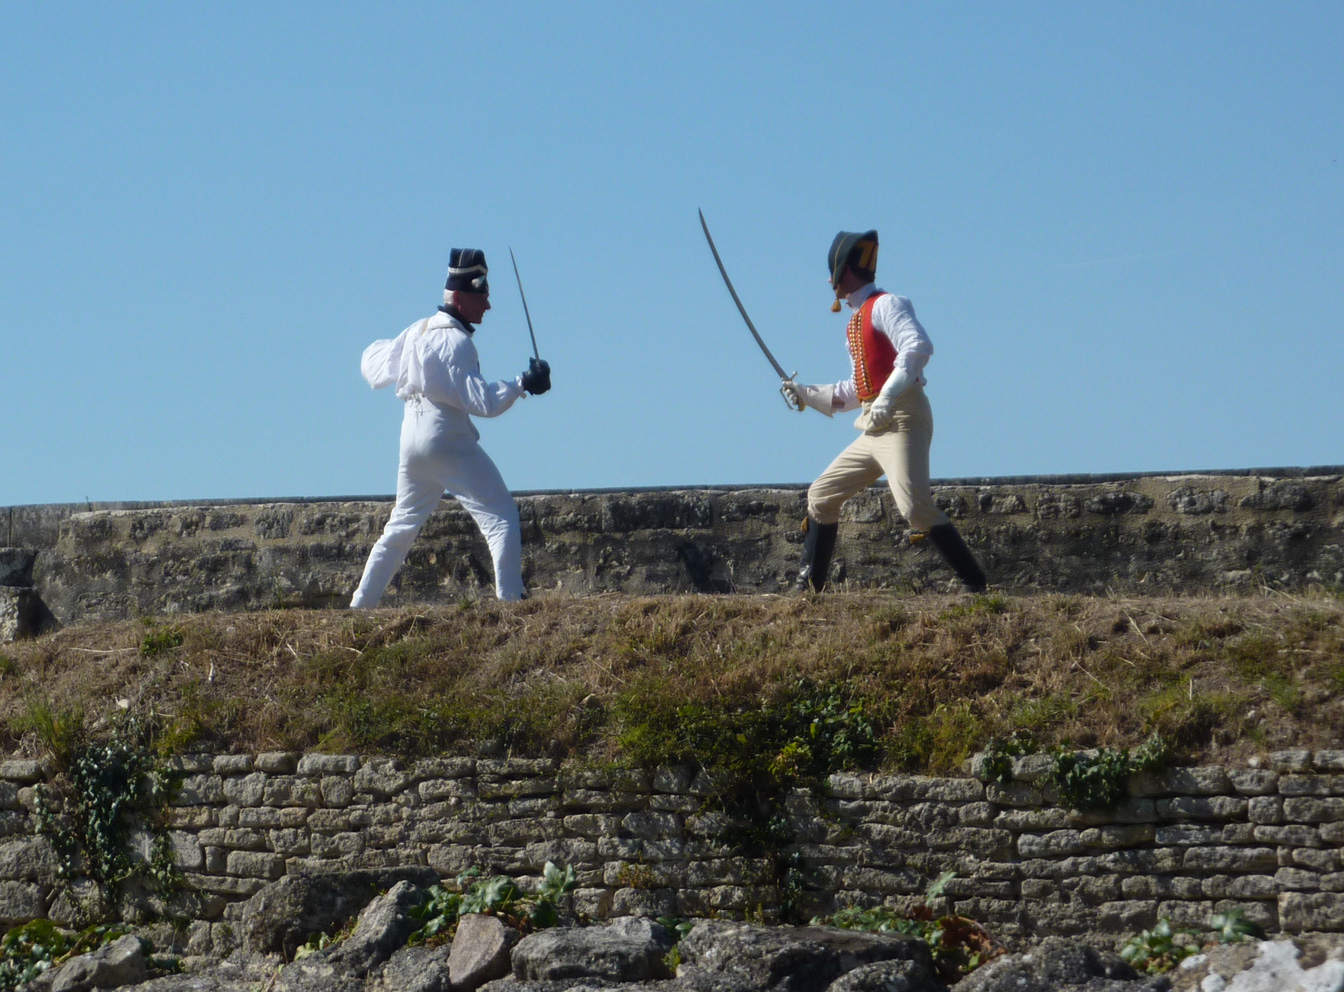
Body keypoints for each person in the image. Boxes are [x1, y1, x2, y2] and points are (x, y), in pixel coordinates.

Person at [780, 229, 987, 594]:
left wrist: (888, 399)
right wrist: (806, 393)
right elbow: (857, 389)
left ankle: (974, 584)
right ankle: (807, 589)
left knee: (914, 507)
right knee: (821, 495)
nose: (830, 283)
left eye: (832, 275)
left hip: (903, 418)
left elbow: (918, 347)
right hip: (873, 426)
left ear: (843, 274)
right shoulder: (855, 322)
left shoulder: (888, 305)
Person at [350, 248, 551, 607]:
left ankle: (361, 605)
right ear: (458, 297)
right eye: (481, 295)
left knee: (401, 527)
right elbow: (483, 403)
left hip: (410, 438)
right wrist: (523, 382)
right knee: (501, 515)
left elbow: (375, 366)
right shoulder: (457, 342)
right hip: (444, 436)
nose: (487, 305)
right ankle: (511, 601)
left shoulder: (418, 330)